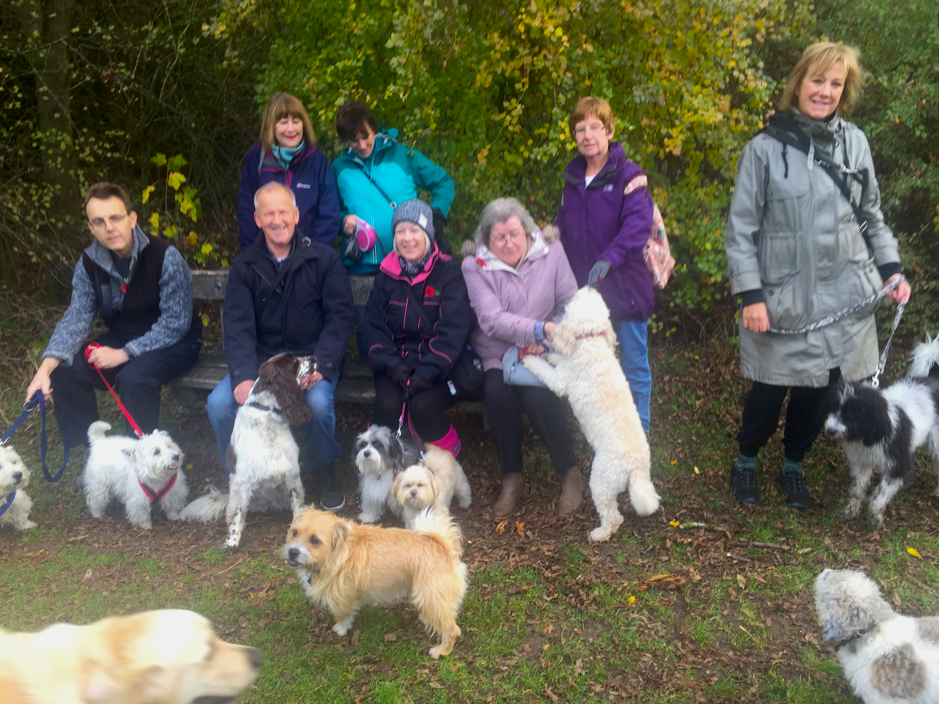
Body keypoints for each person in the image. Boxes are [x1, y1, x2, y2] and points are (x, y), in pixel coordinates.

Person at [724, 42, 911, 509]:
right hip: (783, 298)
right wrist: (750, 295)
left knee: (821, 392)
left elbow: (871, 215)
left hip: (844, 297)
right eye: (817, 81)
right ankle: (746, 460)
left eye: (835, 83)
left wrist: (891, 270)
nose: (825, 91)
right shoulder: (763, 151)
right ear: (798, 82)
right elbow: (741, 230)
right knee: (769, 392)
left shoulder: (856, 144)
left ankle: (793, 467)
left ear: (844, 91)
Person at [208, 182, 354, 510]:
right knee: (220, 405)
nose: (277, 220)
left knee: (317, 405)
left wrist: (323, 364)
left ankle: (323, 471)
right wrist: (244, 376)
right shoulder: (245, 267)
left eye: (283, 212)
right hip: (264, 364)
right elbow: (237, 326)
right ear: (257, 219)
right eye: (269, 214)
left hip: (310, 358)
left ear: (296, 215)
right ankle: (241, 478)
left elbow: (340, 318)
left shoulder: (324, 259)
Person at [25, 182, 202, 448]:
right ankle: (94, 457)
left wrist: (124, 353)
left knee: (133, 378)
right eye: (99, 221)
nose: (109, 227)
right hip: (125, 336)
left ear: (132, 219)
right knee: (67, 369)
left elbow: (175, 324)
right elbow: (76, 317)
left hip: (177, 341)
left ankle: (143, 463)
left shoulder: (165, 256)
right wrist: (44, 369)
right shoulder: (88, 264)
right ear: (91, 228)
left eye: (115, 218)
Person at [462, 198, 580, 519]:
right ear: (487, 239)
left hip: (544, 349)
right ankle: (512, 478)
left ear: (527, 231)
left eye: (515, 233)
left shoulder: (551, 251)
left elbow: (570, 300)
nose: (509, 242)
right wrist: (537, 329)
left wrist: (544, 339)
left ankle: (569, 472)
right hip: (498, 353)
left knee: (538, 396)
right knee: (497, 393)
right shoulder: (474, 265)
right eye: (500, 237)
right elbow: (491, 319)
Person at [555, 96, 655, 435]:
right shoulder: (571, 180)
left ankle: (638, 430)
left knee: (633, 364)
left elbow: (637, 227)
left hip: (624, 288)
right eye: (580, 129)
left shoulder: (630, 175)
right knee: (595, 364)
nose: (587, 135)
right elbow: (563, 232)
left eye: (595, 127)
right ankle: (604, 426)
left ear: (609, 130)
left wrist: (607, 260)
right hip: (587, 295)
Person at [332, 101, 455, 357]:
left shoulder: (404, 156)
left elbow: (443, 182)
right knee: (368, 340)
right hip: (361, 267)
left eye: (365, 136)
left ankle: (406, 385)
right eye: (354, 141)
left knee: (410, 332)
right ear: (345, 140)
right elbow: (327, 210)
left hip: (406, 265)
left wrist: (432, 217)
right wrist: (342, 220)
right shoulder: (339, 168)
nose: (363, 145)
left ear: (374, 129)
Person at [362, 199, 471, 457]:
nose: (407, 238)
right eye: (400, 231)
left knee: (422, 406)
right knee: (387, 405)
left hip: (438, 368)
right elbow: (372, 330)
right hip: (396, 366)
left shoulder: (449, 274)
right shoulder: (385, 276)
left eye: (414, 230)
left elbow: (453, 331)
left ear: (428, 235)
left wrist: (425, 373)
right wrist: (394, 368)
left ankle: (446, 468)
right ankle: (378, 477)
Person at [237, 92, 340, 251]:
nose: (291, 129)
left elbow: (329, 215)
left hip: (309, 257)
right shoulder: (257, 157)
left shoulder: (317, 160)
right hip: (264, 257)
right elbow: (246, 211)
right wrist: (253, 255)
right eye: (284, 122)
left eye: (296, 121)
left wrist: (314, 256)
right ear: (271, 126)